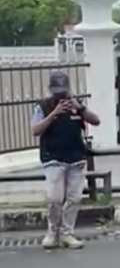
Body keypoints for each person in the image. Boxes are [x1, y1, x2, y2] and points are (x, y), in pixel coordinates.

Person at [31, 71, 100, 250]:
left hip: (76, 157)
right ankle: (52, 232)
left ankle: (67, 233)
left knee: (74, 198)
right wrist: (54, 113)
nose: (61, 95)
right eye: (57, 92)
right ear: (50, 90)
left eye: (63, 91)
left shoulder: (77, 104)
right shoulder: (43, 106)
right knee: (55, 198)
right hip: (52, 158)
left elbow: (96, 121)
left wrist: (80, 108)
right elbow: (35, 130)